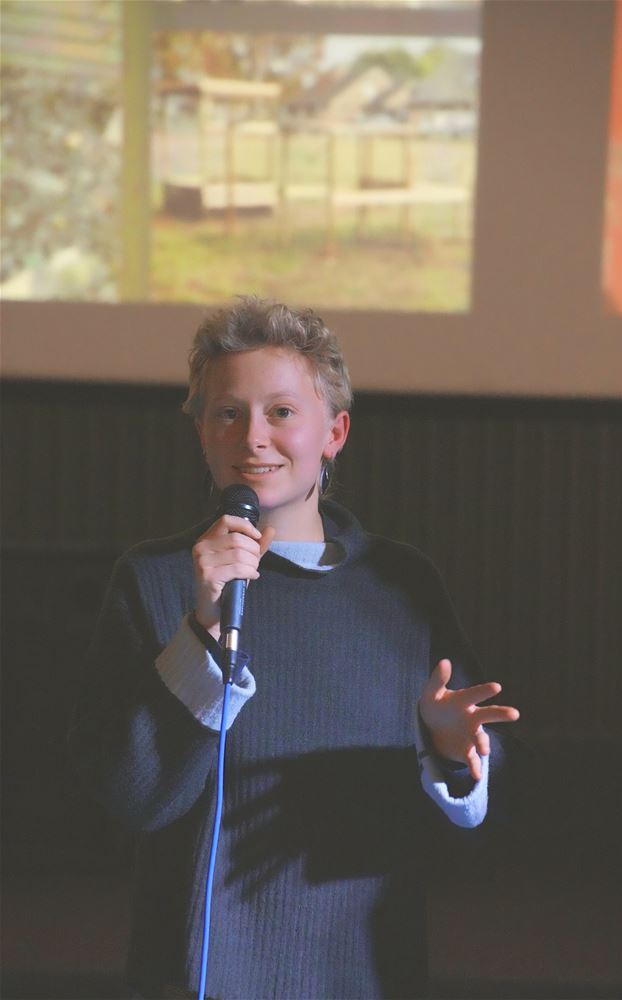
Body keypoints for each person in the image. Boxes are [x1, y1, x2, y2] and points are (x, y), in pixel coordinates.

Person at [69, 296, 520, 1000]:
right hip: (198, 972)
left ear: (334, 432)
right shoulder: (155, 580)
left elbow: (484, 817)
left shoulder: (400, 583)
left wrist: (447, 751)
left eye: (280, 412)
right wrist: (202, 630)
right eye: (227, 413)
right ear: (201, 434)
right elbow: (131, 799)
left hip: (364, 969)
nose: (253, 437)